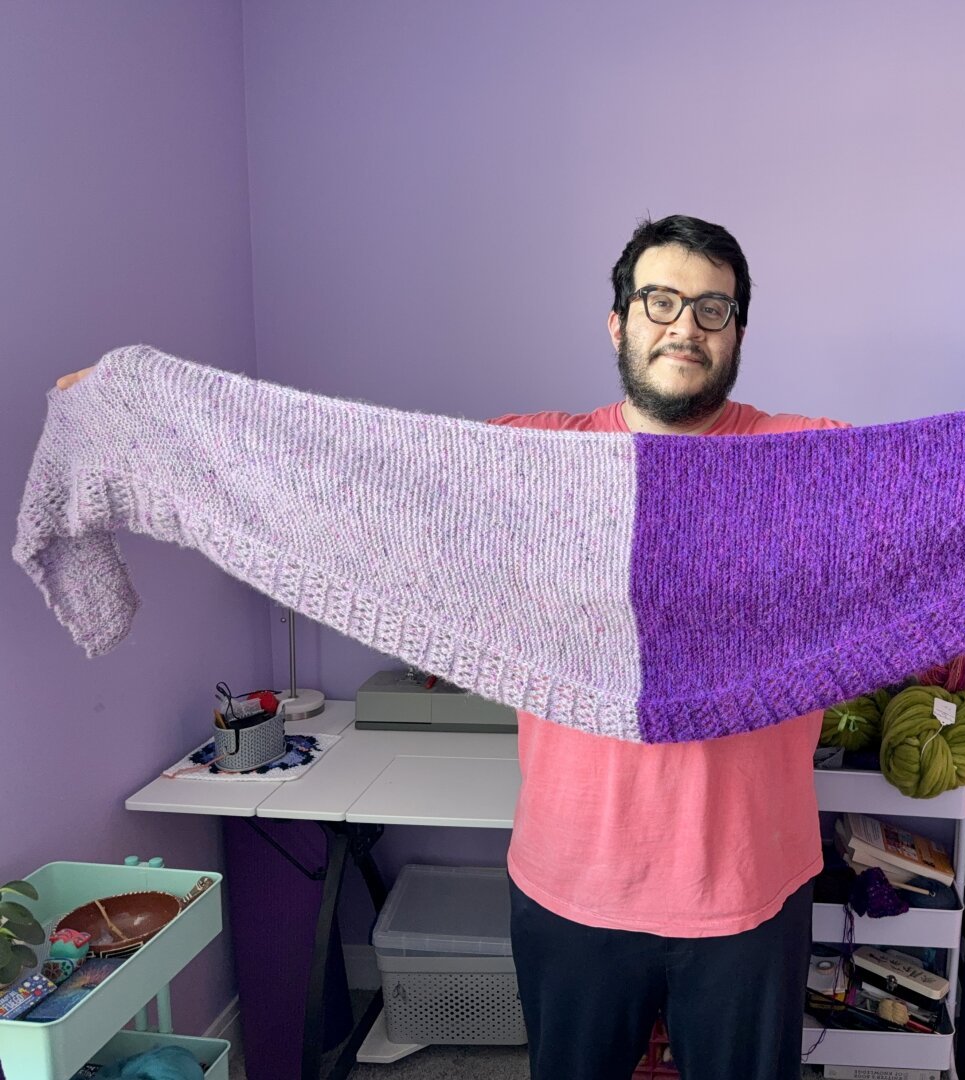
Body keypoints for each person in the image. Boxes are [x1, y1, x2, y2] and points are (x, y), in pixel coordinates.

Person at [56, 214, 845, 1080]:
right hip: (572, 886)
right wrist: (145, 408)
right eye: (661, 300)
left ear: (736, 331)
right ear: (617, 321)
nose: (685, 325)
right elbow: (347, 473)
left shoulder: (802, 461)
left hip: (746, 889)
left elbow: (950, 506)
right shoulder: (526, 460)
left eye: (712, 308)